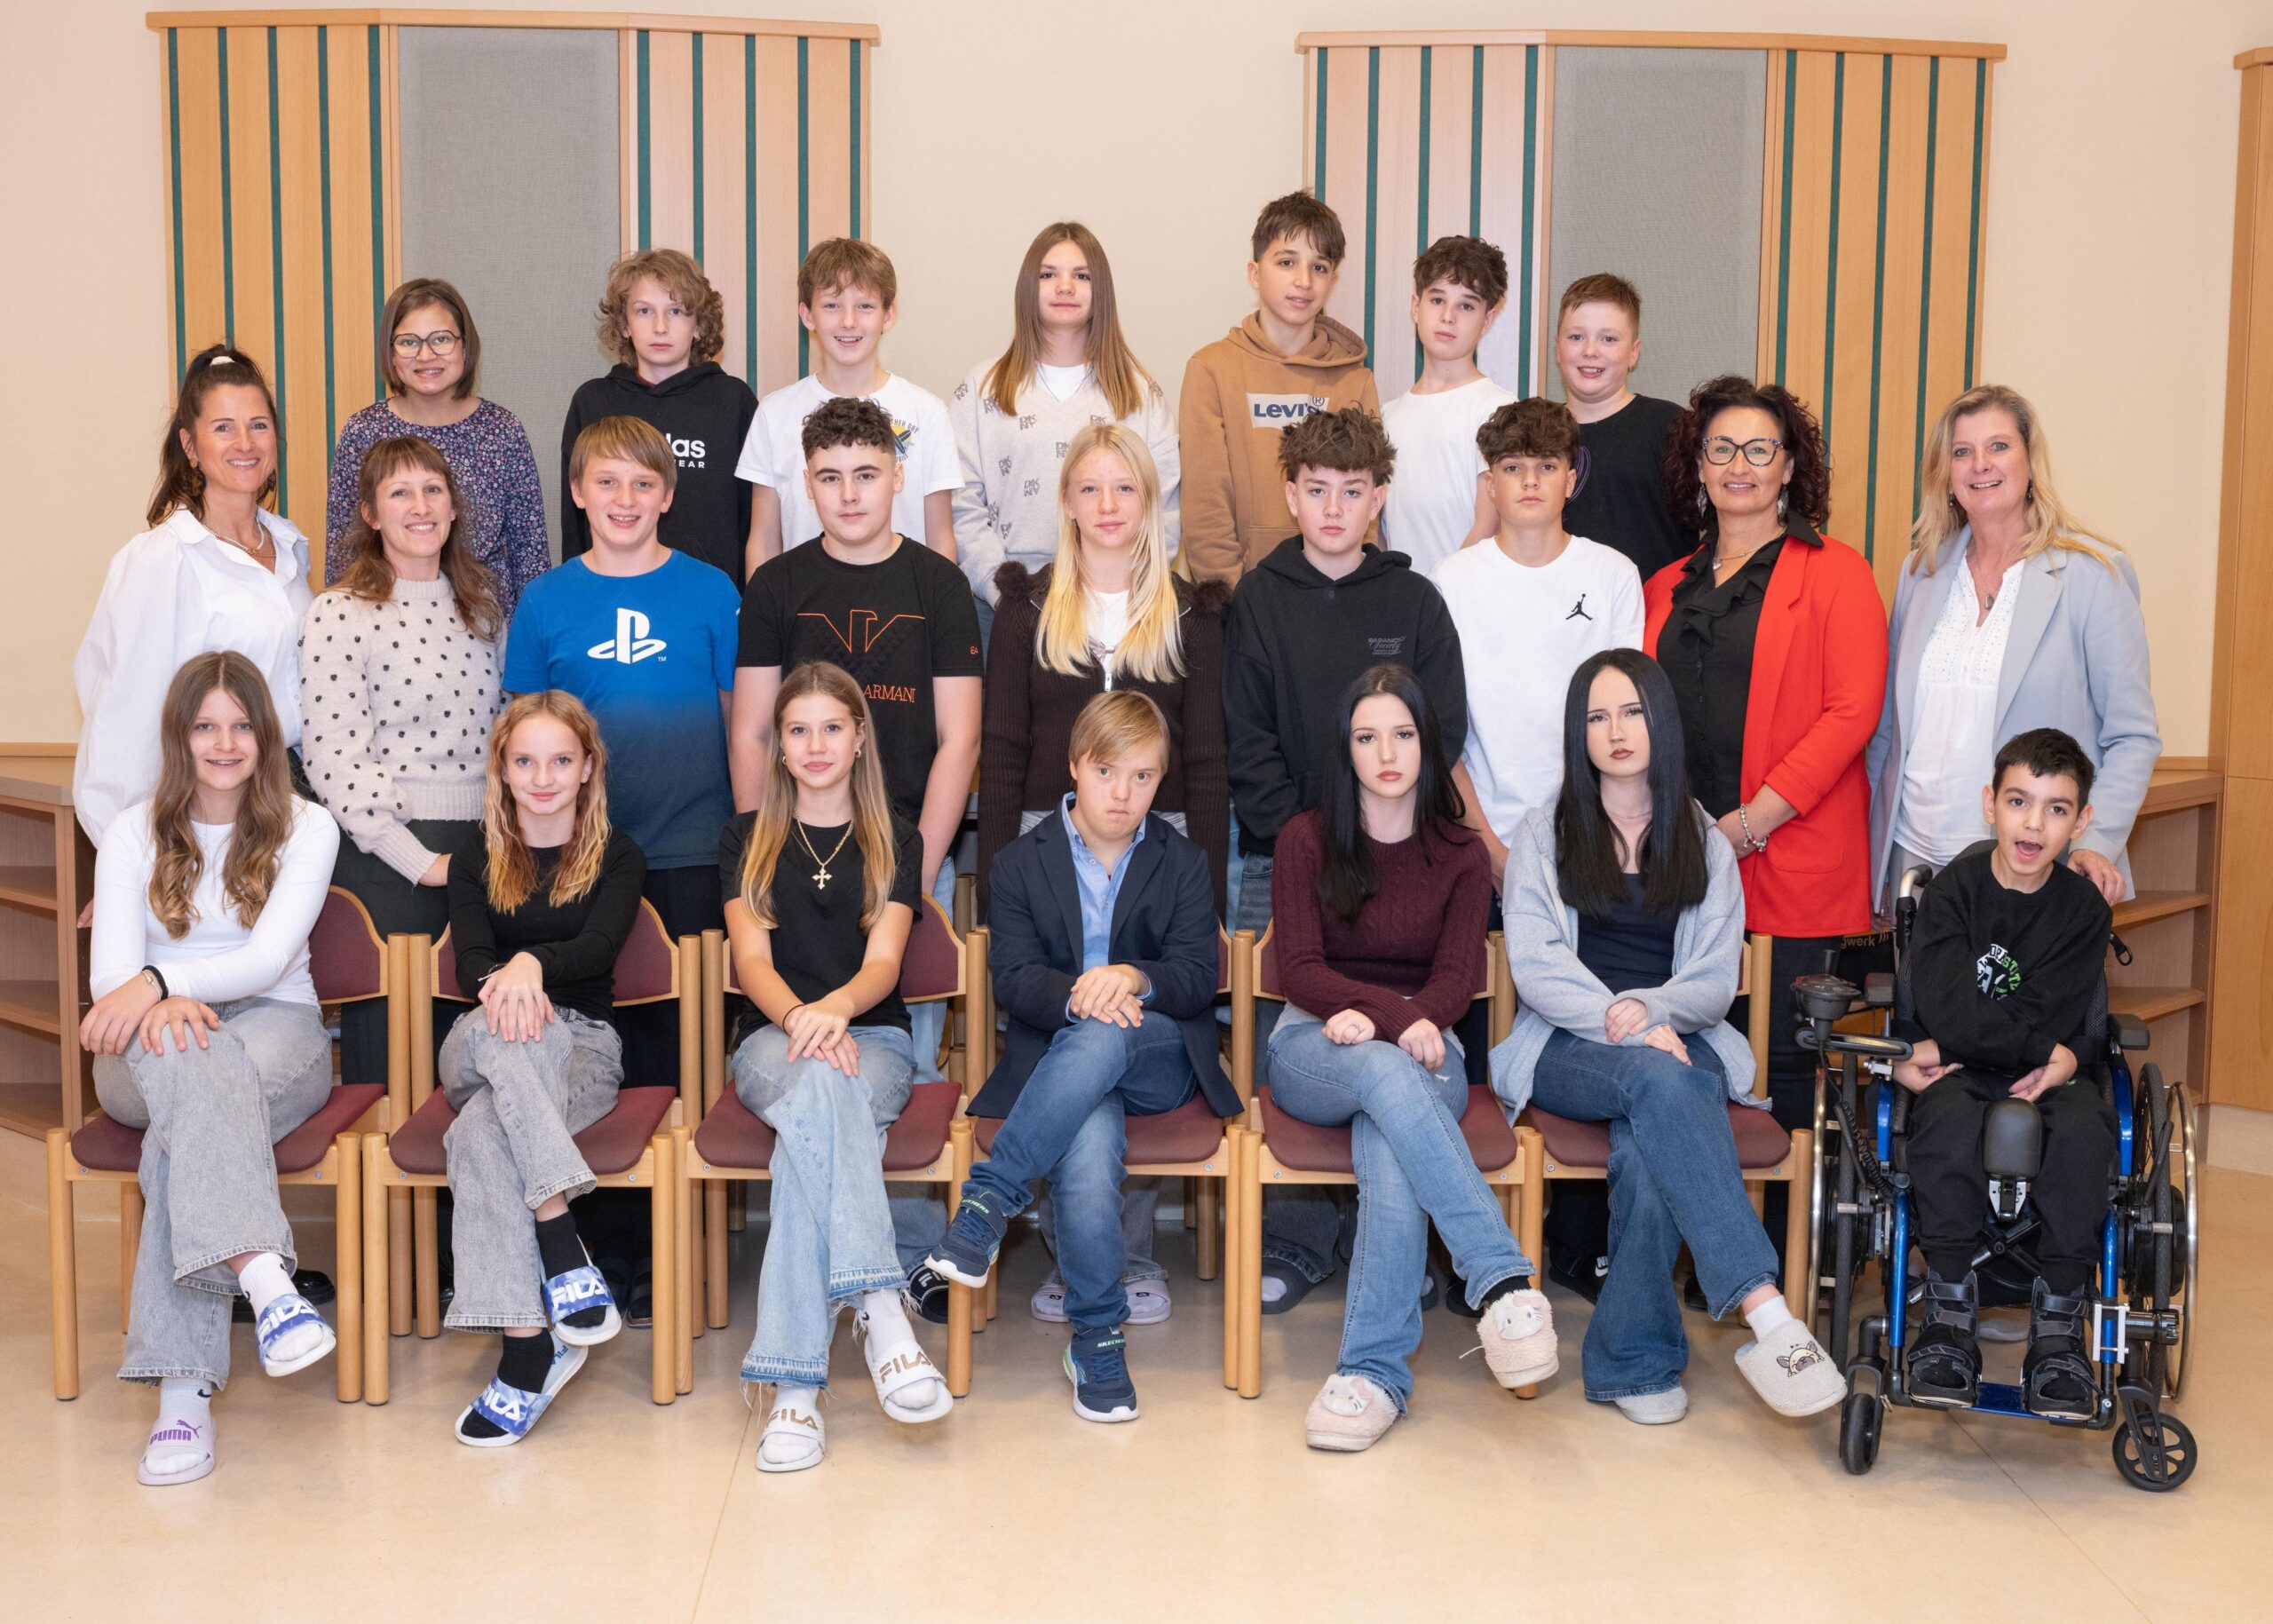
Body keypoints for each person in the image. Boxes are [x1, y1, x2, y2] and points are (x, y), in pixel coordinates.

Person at [1491, 648, 1845, 1423]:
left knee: (1652, 1140)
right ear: (1578, 732)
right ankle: (1765, 1309)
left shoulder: (1704, 839)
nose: (1616, 731)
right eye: (1596, 716)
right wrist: (1627, 1024)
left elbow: (1716, 978)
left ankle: (1634, 1361)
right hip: (1569, 1042)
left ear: (1661, 721)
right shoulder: (1545, 833)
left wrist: (1653, 1012)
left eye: (1632, 711)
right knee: (1662, 1082)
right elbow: (1537, 966)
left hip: (1681, 1039)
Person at [924, 692, 1241, 1423]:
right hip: (1062, 1070)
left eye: (1142, 776)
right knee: (1090, 1141)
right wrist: (1083, 994)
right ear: (1074, 765)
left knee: (1108, 1034)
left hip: (1159, 1054)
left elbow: (1199, 975)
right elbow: (1013, 979)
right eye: (1106, 772)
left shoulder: (1184, 860)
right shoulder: (1018, 862)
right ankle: (1097, 1338)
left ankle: (989, 1199)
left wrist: (1129, 977)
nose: (1123, 794)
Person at [1267, 665, 1557, 1452]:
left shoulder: (1460, 852)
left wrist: (1401, 1025)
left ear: (1428, 743)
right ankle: (1500, 1276)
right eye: (1367, 737)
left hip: (1428, 1045)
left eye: (1402, 734)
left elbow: (1458, 981)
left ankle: (1371, 1376)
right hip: (1315, 1041)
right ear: (1346, 748)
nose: (1387, 753)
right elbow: (1300, 969)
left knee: (1390, 1133)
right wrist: (1391, 1018)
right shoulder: (1305, 839)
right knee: (1387, 1073)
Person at [979, 422, 1228, 1325]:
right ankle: (1082, 1253)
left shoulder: (1190, 610)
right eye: (1090, 488)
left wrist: (1204, 880)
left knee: (1129, 1018)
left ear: (1150, 500)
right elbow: (1003, 748)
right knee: (1071, 1020)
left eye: (1126, 487)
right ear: (1067, 501)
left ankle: (1111, 1248)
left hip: (1161, 834)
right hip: (1048, 835)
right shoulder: (1028, 606)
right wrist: (997, 875)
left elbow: (1207, 755)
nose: (1109, 505)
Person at [732, 394, 982, 1284]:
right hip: (792, 855)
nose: (848, 493)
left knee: (893, 1062)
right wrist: (762, 852)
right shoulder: (776, 585)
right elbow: (753, 730)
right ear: (806, 484)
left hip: (906, 855)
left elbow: (960, 738)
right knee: (815, 1056)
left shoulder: (938, 585)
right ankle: (865, 1272)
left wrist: (914, 868)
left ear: (898, 477)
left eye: (866, 474)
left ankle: (904, 1254)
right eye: (830, 477)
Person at [1225, 404, 1468, 1309]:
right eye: (1317, 490)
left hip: (1403, 858)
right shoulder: (1259, 598)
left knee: (1398, 1045)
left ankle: (1401, 1244)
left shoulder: (1414, 601)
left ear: (1378, 499)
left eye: (1352, 491)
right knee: (1301, 1040)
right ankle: (1296, 1242)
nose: (1333, 508)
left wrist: (1383, 834)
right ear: (1291, 495)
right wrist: (1311, 841)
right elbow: (1245, 734)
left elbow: (1441, 728)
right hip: (1286, 856)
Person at [80, 652, 343, 1486]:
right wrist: (153, 1000)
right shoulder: (131, 832)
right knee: (193, 1081)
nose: (224, 743)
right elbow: (109, 982)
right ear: (179, 736)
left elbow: (266, 961)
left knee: (181, 1135)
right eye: (205, 726)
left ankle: (183, 1396)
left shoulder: (309, 827)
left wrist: (164, 984)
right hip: (146, 1046)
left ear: (265, 736)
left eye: (241, 725)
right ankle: (265, 1279)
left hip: (276, 1025)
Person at [504, 415, 740, 1317]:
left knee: (671, 1046)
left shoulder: (711, 590)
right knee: (587, 1044)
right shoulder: (545, 602)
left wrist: (745, 838)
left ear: (668, 495)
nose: (625, 499)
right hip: (579, 861)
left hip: (689, 847)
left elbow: (742, 723)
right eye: (606, 481)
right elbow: (525, 742)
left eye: (643, 483)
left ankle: (667, 1248)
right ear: (578, 494)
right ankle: (597, 1240)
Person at [1643, 376, 1888, 1180]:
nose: (1738, 465)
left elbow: (1852, 712)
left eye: (1759, 449)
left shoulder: (1837, 572)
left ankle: (1781, 1235)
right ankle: (1696, 1220)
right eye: (1721, 448)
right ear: (1699, 466)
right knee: (1679, 1051)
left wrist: (1748, 824)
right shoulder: (1663, 585)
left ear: (1789, 467)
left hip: (1789, 854)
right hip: (1680, 865)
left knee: (1781, 1065)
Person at [719, 661, 952, 1471]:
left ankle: (793, 1390)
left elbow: (884, 963)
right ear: (779, 747)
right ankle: (881, 1307)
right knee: (819, 1087)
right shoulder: (745, 837)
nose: (815, 745)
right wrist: (800, 1018)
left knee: (808, 1135)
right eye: (797, 730)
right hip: (770, 1040)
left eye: (830, 728)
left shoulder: (895, 836)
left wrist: (835, 1011)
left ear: (858, 739)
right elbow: (752, 961)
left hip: (873, 1040)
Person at [439, 690, 645, 1446]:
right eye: (525, 761)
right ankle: (559, 1233)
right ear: (502, 769)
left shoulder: (619, 855)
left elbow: (597, 949)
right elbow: (470, 963)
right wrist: (512, 983)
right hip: (482, 1035)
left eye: (561, 760)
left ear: (588, 766)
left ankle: (527, 1352)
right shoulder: (475, 853)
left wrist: (531, 962)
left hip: (582, 1046)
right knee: (508, 1039)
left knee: (478, 1134)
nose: (544, 777)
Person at [1891, 728, 2117, 1421]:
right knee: (1946, 1117)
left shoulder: (2083, 911)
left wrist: (2052, 1049)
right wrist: (2039, 1043)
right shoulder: (1951, 893)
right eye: (2019, 801)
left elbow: (2049, 1010)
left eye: (2056, 808)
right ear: (1990, 802)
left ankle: (2058, 1329)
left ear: (2081, 820)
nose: (2033, 824)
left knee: (2084, 1128)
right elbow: (1944, 1004)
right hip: (1964, 1074)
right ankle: (1948, 1314)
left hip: (2048, 1080)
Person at [1868, 384, 2159, 910]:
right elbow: (1888, 730)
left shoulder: (2093, 576)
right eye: (1962, 451)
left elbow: (2133, 737)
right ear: (1946, 474)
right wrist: (1874, 855)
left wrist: (2096, 843)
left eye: (1999, 446)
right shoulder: (1920, 572)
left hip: (2032, 864)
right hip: (1915, 861)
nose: (1980, 464)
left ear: (2030, 461)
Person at [300, 435, 504, 1086]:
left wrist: (495, 850)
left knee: (476, 1061)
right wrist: (419, 862)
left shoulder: (485, 611)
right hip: (387, 860)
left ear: (453, 507)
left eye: (433, 490)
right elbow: (333, 760)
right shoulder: (337, 613)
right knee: (395, 1073)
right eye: (400, 493)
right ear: (370, 514)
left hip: (481, 853)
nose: (420, 506)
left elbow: (507, 738)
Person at [75, 345, 313, 848]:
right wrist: (133, 853)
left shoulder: (290, 545)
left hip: (292, 795)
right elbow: (127, 718)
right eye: (223, 427)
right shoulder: (163, 559)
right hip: (209, 807)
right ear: (190, 444)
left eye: (259, 425)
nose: (245, 442)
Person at [1432, 397, 1644, 889]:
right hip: (1476, 841)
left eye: (1546, 466)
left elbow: (1628, 723)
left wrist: (1600, 839)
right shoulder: (1450, 581)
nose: (1530, 481)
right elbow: (1439, 734)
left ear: (1570, 480)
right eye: (1513, 468)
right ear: (1491, 485)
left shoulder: (1614, 575)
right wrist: (1490, 853)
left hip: (1594, 841)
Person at [950, 222, 1181, 625]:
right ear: (1028, 287)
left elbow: (1163, 507)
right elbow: (961, 503)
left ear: (1101, 290)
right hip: (1003, 607)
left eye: (1082, 276)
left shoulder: (1141, 393)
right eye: (1048, 274)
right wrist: (1004, 594)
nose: (1065, 287)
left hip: (1116, 608)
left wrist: (1118, 594)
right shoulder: (981, 387)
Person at [1180, 191, 1380, 582]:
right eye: (1287, 262)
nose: (1303, 281)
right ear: (1255, 273)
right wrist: (1233, 599)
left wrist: (1349, 592)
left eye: (1319, 267)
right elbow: (1205, 507)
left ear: (1333, 280)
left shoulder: (1356, 380)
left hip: (1335, 595)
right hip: (1241, 598)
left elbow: (1366, 508)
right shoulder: (1211, 369)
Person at [326, 278, 549, 617]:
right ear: (390, 352)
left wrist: (531, 639)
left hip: (488, 627)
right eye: (409, 342)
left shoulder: (503, 431)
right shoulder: (363, 433)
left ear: (465, 346)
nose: (426, 355)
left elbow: (530, 556)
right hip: (385, 623)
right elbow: (343, 555)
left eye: (441, 339)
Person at [734, 238, 959, 569]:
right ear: (807, 315)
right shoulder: (774, 413)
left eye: (865, 306)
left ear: (888, 314)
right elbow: (764, 543)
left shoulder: (927, 412)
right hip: (805, 597)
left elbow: (940, 537)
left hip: (904, 597)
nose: (849, 321)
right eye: (832, 305)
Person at [561, 248, 760, 583]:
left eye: (676, 311)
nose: (660, 327)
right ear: (624, 324)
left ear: (699, 326)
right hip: (611, 589)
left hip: (709, 595)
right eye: (644, 311)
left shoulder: (732, 401)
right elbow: (575, 518)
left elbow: (753, 519)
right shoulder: (593, 402)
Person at [1379, 234, 1514, 575]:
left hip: (1466, 596)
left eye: (1466, 306)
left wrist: (1438, 591)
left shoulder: (1499, 410)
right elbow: (1380, 529)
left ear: (1488, 319)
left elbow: (1490, 525)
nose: (1448, 316)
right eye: (1437, 299)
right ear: (1416, 306)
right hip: (1404, 599)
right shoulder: (1387, 416)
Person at [1554, 273, 1689, 581]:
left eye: (1609, 339)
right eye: (1576, 337)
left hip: (1654, 604)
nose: (1591, 350)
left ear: (1633, 352)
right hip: (1559, 606)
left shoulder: (1672, 427)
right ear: (1558, 348)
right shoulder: (1536, 432)